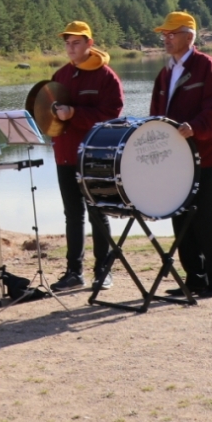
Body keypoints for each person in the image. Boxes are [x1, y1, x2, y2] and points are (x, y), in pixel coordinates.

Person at [149, 11, 212, 299]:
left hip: (203, 159)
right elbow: (156, 116)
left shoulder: (206, 66)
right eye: (164, 34)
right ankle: (194, 280)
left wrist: (194, 128)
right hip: (174, 160)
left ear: (189, 36)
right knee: (181, 220)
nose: (166, 39)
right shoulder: (165, 72)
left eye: (171, 34)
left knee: (206, 221)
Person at [47, 21, 125, 292]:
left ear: (89, 44)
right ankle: (73, 272)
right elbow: (50, 114)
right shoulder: (59, 75)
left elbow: (112, 116)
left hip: (94, 156)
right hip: (65, 155)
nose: (70, 48)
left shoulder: (106, 76)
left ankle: (103, 271)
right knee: (72, 215)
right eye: (67, 43)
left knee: (98, 212)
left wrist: (75, 114)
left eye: (76, 43)